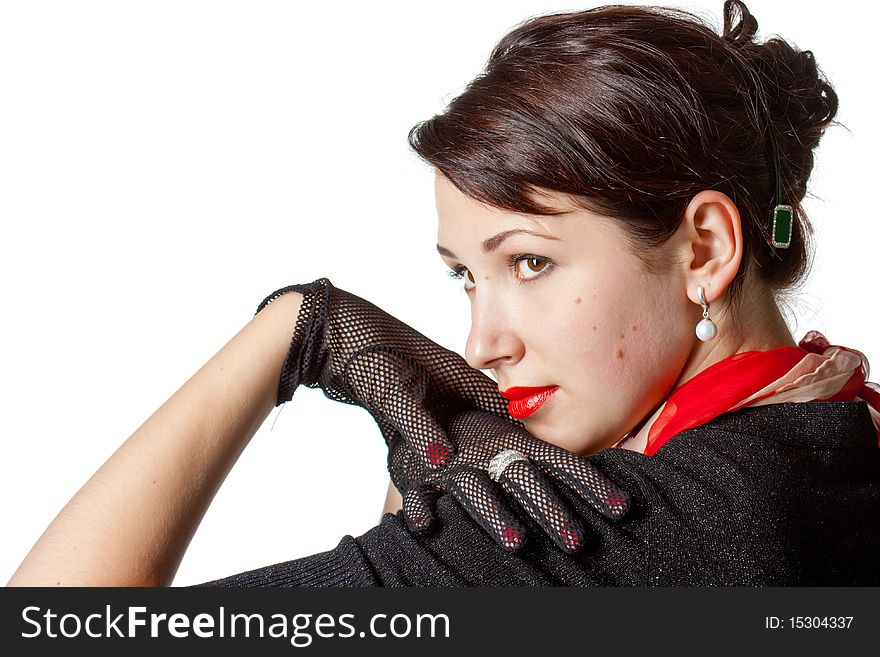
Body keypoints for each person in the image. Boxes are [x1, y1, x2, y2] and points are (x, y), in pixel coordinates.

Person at [7, 0, 880, 587]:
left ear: (706, 248)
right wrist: (431, 461)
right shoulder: (829, 440)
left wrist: (294, 331)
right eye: (466, 275)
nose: (481, 345)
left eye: (530, 262)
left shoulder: (609, 528)